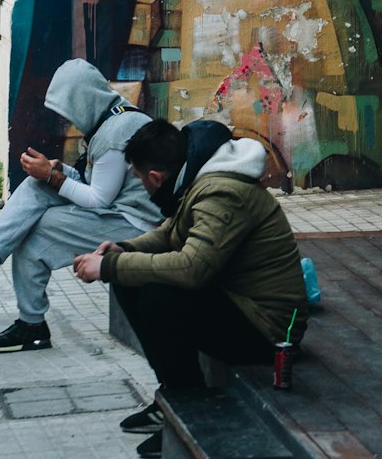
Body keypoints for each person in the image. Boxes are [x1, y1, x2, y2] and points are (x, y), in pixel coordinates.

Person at [74, 118, 308, 456]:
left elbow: (192, 268)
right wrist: (126, 251)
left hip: (269, 329)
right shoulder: (202, 176)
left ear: (156, 178)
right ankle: (174, 392)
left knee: (158, 295)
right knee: (129, 278)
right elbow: (172, 232)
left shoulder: (222, 192)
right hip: (240, 303)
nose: (144, 187)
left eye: (141, 180)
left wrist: (110, 265)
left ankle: (192, 405)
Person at [0, 59, 161, 353]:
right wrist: (58, 171)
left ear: (83, 99)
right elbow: (100, 185)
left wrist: (53, 176)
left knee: (35, 230)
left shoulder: (116, 133)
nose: (69, 119)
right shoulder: (114, 120)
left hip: (135, 225)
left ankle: (30, 323)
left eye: (70, 109)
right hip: (118, 210)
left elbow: (100, 198)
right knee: (36, 187)